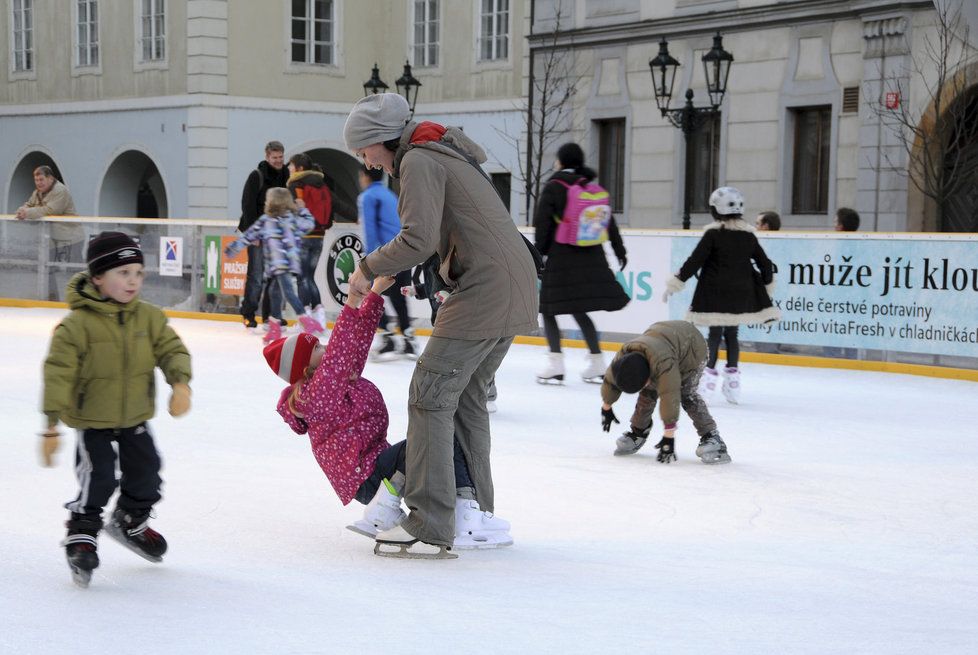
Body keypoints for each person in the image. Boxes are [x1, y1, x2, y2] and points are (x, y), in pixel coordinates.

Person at [343, 92, 538, 557]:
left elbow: (418, 236)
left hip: (485, 289)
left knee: (428, 394)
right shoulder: (441, 153)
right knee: (466, 397)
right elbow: (437, 235)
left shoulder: (418, 161)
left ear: (380, 140)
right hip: (513, 284)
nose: (365, 161)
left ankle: (430, 522)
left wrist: (366, 268)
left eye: (364, 149)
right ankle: (473, 513)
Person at [267, 275, 511, 554]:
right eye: (317, 349)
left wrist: (373, 297)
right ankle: (465, 516)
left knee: (429, 444)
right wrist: (352, 301)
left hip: (371, 470)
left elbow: (355, 345)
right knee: (434, 440)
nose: (325, 348)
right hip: (368, 475)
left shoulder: (334, 384)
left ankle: (394, 508)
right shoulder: (319, 395)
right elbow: (340, 350)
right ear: (305, 368)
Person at [40, 231, 192, 587]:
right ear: (97, 277)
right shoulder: (76, 326)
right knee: (99, 476)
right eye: (123, 273)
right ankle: (82, 532)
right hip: (92, 421)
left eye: (138, 273)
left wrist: (180, 382)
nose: (133, 281)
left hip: (134, 418)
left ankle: (129, 520)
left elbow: (172, 349)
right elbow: (57, 373)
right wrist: (50, 425)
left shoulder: (149, 318)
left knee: (148, 471)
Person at [662, 186, 779, 404]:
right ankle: (733, 383)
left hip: (714, 291)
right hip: (739, 293)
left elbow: (694, 261)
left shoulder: (713, 234)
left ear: (715, 210)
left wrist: (676, 282)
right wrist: (765, 286)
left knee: (714, 335)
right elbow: (765, 264)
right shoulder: (748, 235)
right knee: (732, 334)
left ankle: (707, 381)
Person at [534, 142, 629, 385]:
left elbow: (543, 223)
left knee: (548, 308)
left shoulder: (554, 187)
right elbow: (609, 222)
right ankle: (597, 362)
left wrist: (540, 253)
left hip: (561, 255)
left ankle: (555, 364)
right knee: (578, 307)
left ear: (560, 161)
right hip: (590, 254)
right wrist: (619, 250)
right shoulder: (593, 188)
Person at [600, 320, 730, 465]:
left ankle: (712, 436)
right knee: (648, 392)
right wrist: (607, 406)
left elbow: (670, 395)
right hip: (667, 339)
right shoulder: (624, 357)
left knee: (686, 394)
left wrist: (668, 436)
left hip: (692, 348)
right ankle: (638, 431)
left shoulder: (663, 362)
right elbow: (610, 380)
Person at [225, 188, 324, 343]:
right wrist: (303, 209)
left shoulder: (267, 220)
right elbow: (309, 223)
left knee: (287, 292)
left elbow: (248, 236)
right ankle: (275, 327)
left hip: (279, 263)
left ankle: (307, 321)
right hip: (287, 263)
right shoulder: (291, 219)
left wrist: (232, 248)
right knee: (274, 292)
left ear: (272, 202)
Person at [358, 165, 416, 360]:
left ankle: (387, 337)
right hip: (403, 251)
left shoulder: (368, 197)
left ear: (364, 176)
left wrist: (369, 262)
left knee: (371, 295)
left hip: (386, 253)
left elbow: (371, 230)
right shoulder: (390, 194)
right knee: (398, 297)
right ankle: (408, 340)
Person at [239, 141, 289, 330]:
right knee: (257, 275)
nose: (278, 161)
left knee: (275, 276)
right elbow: (248, 205)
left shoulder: (286, 176)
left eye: (280, 157)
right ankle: (248, 313)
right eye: (274, 158)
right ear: (267, 157)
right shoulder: (257, 176)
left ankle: (271, 315)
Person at [15, 166, 85, 301]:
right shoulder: (38, 192)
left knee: (76, 271)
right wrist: (22, 210)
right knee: (46, 269)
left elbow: (50, 210)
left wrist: (27, 213)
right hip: (53, 240)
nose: (38, 183)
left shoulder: (60, 191)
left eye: (41, 179)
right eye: (36, 180)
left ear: (50, 178)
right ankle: (52, 299)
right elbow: (29, 204)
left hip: (72, 239)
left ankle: (83, 299)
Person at [286, 153, 331, 328]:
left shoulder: (296, 184)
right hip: (319, 235)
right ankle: (319, 315)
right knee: (309, 277)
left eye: (291, 166)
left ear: (299, 169)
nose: (289, 169)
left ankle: (304, 318)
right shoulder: (320, 183)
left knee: (302, 278)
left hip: (303, 236)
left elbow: (295, 207)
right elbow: (334, 203)